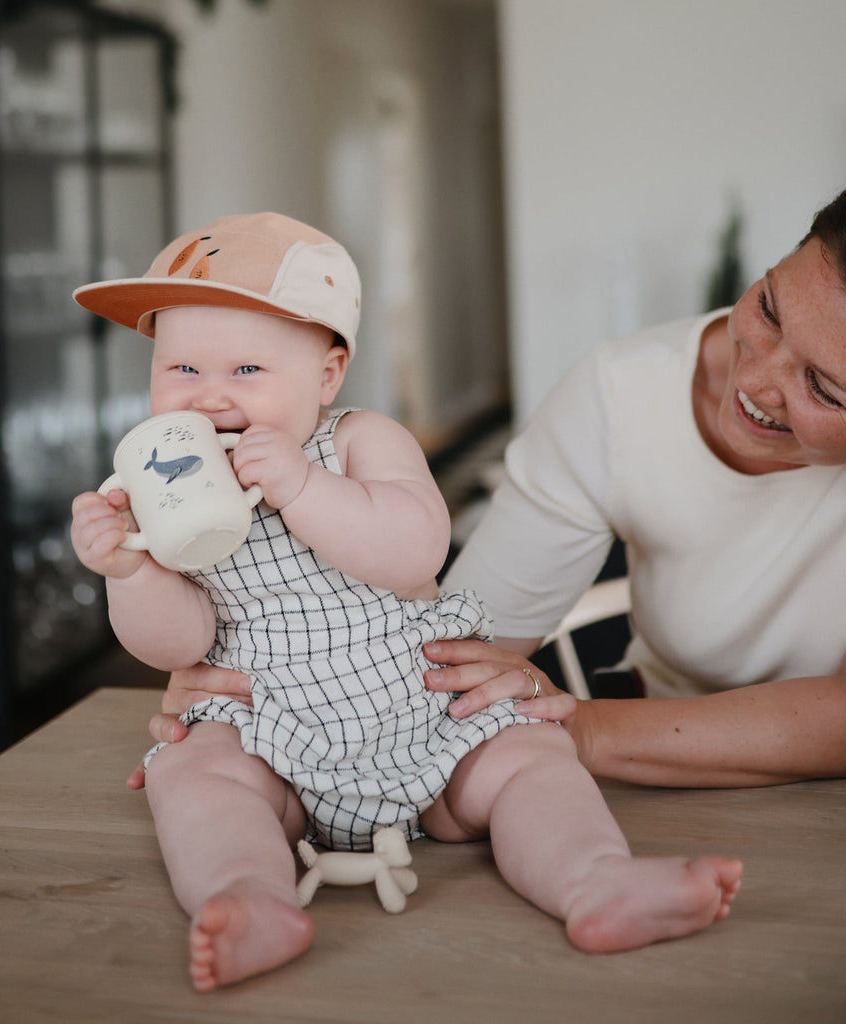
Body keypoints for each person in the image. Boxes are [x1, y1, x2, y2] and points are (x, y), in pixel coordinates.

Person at [71, 213, 741, 992]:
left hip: (428, 716)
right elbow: (179, 646)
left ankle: (596, 880)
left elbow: (414, 552)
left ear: (326, 376)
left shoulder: (357, 441)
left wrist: (300, 485)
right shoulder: (167, 484)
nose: (211, 396)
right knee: (191, 773)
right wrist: (129, 569)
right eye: (181, 370)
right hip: (271, 737)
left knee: (529, 761)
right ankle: (249, 898)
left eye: (248, 370)